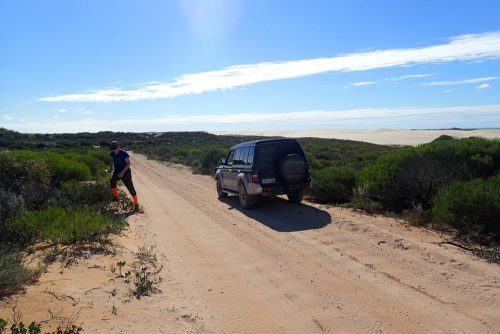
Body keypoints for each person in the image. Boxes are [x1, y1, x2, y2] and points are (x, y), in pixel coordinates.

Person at [109, 141, 140, 212]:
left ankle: (136, 204)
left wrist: (122, 172)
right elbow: (111, 161)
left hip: (126, 173)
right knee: (112, 180)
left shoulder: (124, 153)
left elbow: (128, 164)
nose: (114, 150)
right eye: (112, 149)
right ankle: (116, 197)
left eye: (115, 148)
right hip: (117, 171)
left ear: (118, 147)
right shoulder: (112, 153)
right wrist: (110, 169)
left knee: (130, 188)